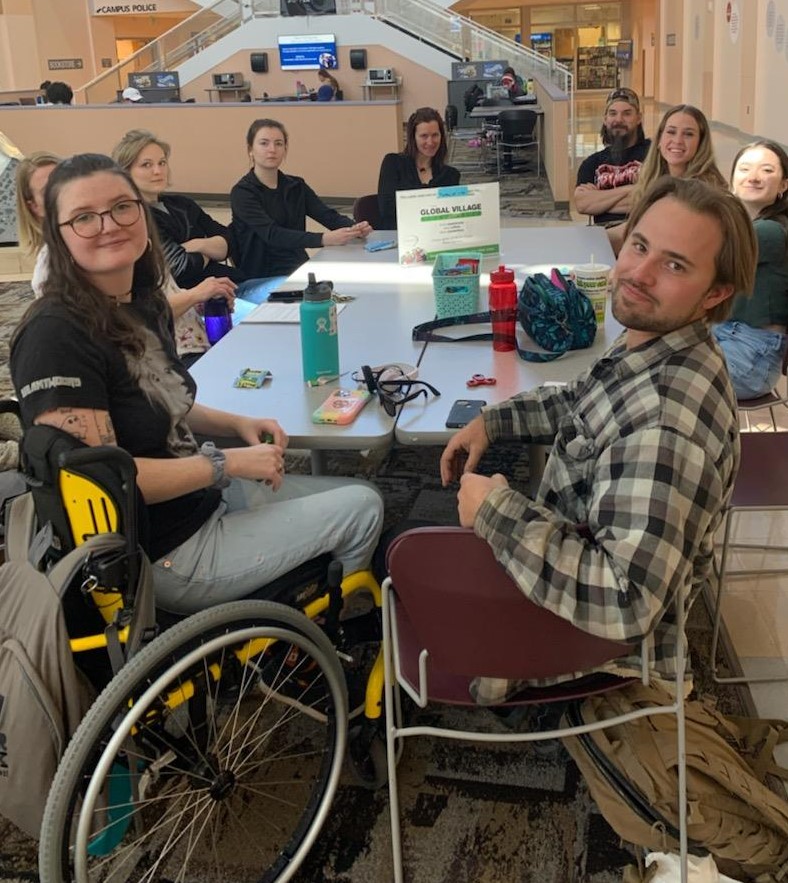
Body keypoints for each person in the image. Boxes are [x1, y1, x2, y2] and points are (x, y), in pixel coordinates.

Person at [10, 153, 383, 615]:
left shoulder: (138, 301)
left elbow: (162, 401)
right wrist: (225, 463)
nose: (108, 225)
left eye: (122, 207)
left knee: (355, 496)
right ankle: (336, 632)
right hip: (165, 553)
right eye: (84, 217)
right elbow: (101, 482)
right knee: (363, 506)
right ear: (58, 235)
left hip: (202, 502)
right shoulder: (55, 335)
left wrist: (238, 422)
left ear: (142, 214)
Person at [439, 176, 756, 701]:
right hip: (576, 547)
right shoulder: (660, 342)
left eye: (675, 265)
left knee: (397, 561)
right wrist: (494, 421)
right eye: (639, 246)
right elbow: (585, 397)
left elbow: (623, 603)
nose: (639, 274)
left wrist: (496, 509)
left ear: (716, 292)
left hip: (588, 645)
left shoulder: (665, 430)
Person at [230, 118, 371, 280]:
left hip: (299, 267)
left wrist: (354, 228)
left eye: (278, 143)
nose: (272, 150)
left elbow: (327, 215)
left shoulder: (296, 185)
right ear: (250, 149)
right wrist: (324, 239)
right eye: (264, 143)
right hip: (263, 276)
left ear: (285, 149)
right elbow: (272, 234)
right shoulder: (242, 192)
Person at [112, 129, 244, 290]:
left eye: (162, 163)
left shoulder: (182, 204)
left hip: (234, 283)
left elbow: (230, 240)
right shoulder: (136, 217)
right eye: (146, 165)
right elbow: (181, 267)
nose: (158, 171)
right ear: (126, 172)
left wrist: (197, 244)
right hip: (198, 299)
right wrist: (212, 250)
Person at [713, 140, 788, 399]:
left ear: (784, 185)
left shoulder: (771, 231)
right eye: (745, 169)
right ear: (732, 180)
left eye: (767, 170)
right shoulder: (743, 224)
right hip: (723, 333)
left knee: (663, 379)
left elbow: (704, 259)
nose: (754, 177)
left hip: (753, 356)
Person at [607, 105, 726, 254]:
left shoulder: (703, 191)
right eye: (671, 132)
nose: (678, 140)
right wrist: (597, 238)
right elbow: (634, 228)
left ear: (701, 144)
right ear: (659, 140)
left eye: (688, 134)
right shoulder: (656, 179)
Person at [575, 87, 650, 226]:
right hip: (603, 237)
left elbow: (654, 200)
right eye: (613, 113)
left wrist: (600, 200)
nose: (618, 120)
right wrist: (633, 189)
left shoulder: (653, 154)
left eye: (627, 114)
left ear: (639, 118)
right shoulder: (592, 163)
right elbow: (583, 204)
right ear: (605, 119)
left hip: (644, 232)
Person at [377, 107, 461, 230]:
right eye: (424, 136)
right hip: (399, 236)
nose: (430, 141)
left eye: (435, 135)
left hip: (436, 237)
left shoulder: (450, 174)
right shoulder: (393, 163)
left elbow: (450, 216)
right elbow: (387, 211)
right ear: (413, 137)